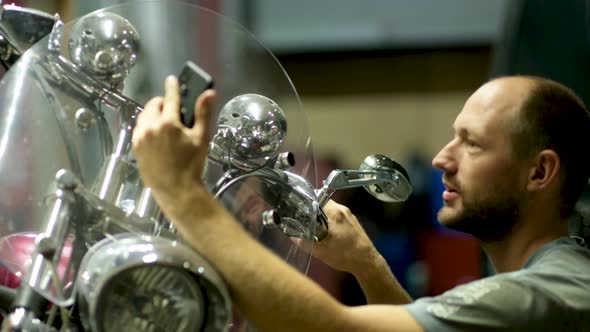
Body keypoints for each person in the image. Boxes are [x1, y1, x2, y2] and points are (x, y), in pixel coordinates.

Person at [131, 75, 590, 331]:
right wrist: (365, 263)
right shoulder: (545, 285)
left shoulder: (542, 297)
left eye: (471, 144)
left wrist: (183, 194)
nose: (441, 159)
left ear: (539, 173)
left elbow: (334, 330)